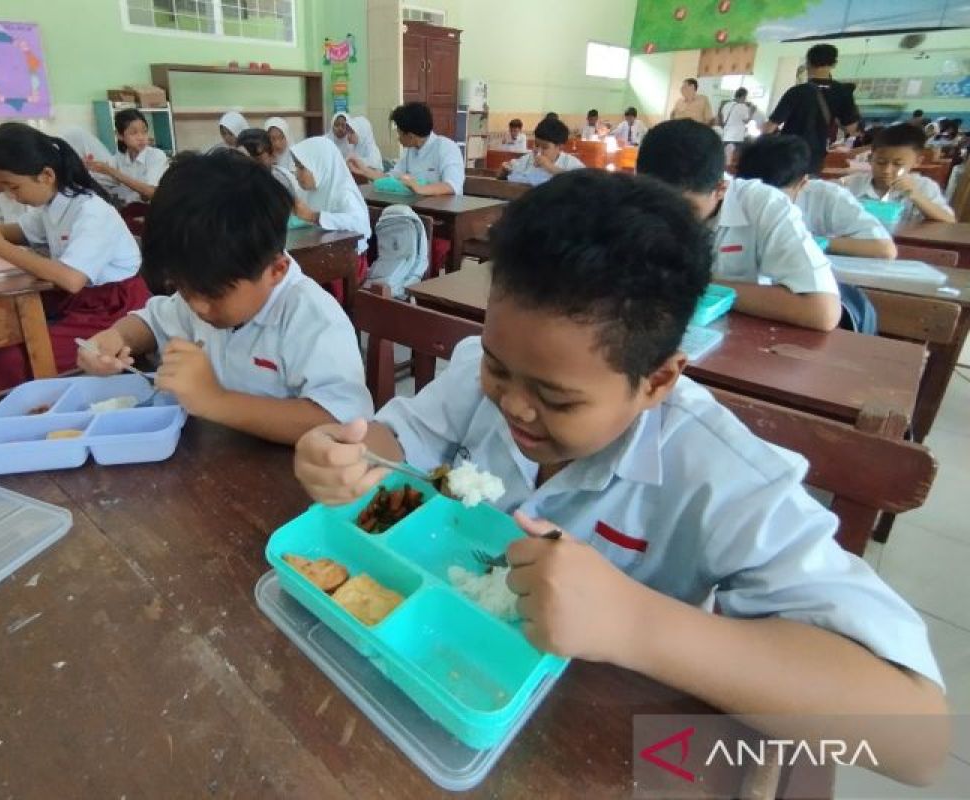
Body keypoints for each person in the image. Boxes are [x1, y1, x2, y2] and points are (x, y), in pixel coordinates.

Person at [293, 170, 948, 788]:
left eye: (558, 399)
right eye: (500, 367)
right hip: (439, 680)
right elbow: (394, 441)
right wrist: (342, 453)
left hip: (596, 752)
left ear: (659, 380)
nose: (514, 405)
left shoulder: (718, 473)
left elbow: (917, 739)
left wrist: (633, 623)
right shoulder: (478, 373)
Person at [76, 150, 372, 446]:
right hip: (217, 460)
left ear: (276, 270)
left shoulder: (312, 319)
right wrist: (116, 338)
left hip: (293, 477)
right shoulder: (202, 290)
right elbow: (153, 321)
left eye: (214, 294)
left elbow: (342, 423)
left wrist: (215, 401)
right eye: (183, 287)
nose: (197, 306)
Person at [0, 122, 149, 394]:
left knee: (13, 360)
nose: (11, 197)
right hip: (81, 299)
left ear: (45, 175)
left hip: (113, 306)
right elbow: (16, 232)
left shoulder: (91, 212)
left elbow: (71, 279)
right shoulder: (51, 204)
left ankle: (26, 418)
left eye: (13, 187)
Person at [637, 120, 841, 331]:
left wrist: (694, 287)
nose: (667, 217)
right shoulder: (630, 198)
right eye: (655, 203)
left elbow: (822, 310)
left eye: (685, 208)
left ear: (721, 189)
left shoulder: (763, 205)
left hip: (734, 339)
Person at [736, 135, 896, 260]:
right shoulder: (733, 193)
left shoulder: (828, 196)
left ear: (802, 183)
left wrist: (807, 241)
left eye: (774, 196)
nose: (763, 202)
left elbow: (884, 249)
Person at [290, 137, 373, 298]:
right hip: (319, 254)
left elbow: (360, 226)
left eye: (301, 168)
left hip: (346, 264)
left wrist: (314, 216)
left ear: (319, 166)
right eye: (296, 167)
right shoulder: (307, 190)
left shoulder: (343, 192)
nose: (297, 174)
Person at [764, 44, 861, 176]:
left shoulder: (796, 91)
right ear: (834, 64)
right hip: (815, 156)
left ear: (808, 62)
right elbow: (851, 129)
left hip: (789, 152)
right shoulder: (843, 92)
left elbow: (769, 127)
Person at [841, 123, 956, 224]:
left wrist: (915, 195)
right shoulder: (852, 184)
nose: (887, 170)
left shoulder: (924, 186)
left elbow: (949, 220)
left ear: (917, 162)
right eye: (881, 162)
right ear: (870, 159)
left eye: (898, 164)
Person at [348, 102, 465, 196]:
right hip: (417, 207)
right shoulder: (410, 151)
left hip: (444, 212)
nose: (398, 139)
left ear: (411, 136)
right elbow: (391, 178)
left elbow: (452, 186)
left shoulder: (446, 148)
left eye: (399, 133)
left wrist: (419, 188)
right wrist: (364, 171)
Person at [85, 109, 168, 205]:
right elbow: (98, 181)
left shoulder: (156, 155)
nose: (141, 137)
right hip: (127, 208)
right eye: (134, 133)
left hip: (152, 210)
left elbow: (150, 193)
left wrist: (111, 171)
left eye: (144, 132)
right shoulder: (118, 158)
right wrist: (87, 168)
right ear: (120, 135)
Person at [500, 115, 583, 186]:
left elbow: (583, 183)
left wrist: (551, 168)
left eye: (544, 147)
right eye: (536, 145)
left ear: (559, 147)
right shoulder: (527, 159)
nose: (538, 151)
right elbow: (502, 176)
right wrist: (504, 171)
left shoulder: (569, 163)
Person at [716, 88, 763, 160]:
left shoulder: (726, 105)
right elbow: (746, 121)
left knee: (725, 158)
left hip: (726, 136)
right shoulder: (742, 107)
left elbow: (722, 117)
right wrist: (752, 112)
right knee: (734, 159)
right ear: (744, 96)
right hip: (736, 138)